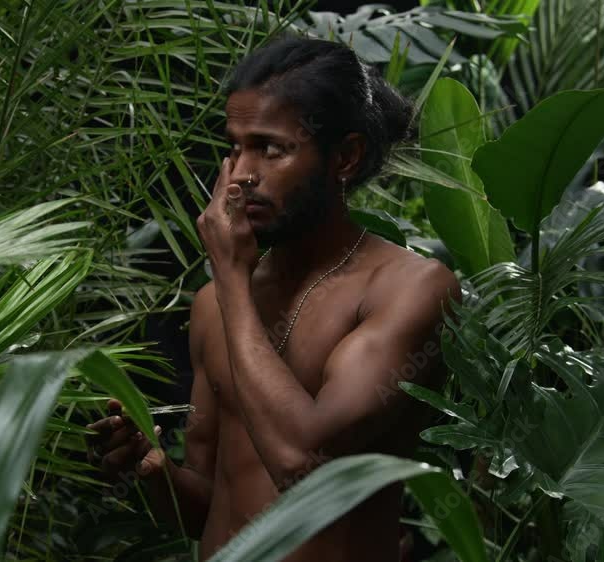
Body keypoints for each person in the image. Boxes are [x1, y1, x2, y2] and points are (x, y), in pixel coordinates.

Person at [86, 35, 461, 561]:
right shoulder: (214, 305)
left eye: (270, 148)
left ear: (345, 157)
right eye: (235, 147)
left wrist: (231, 282)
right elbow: (209, 507)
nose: (241, 174)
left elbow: (301, 464)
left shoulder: (408, 289)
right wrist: (149, 466)